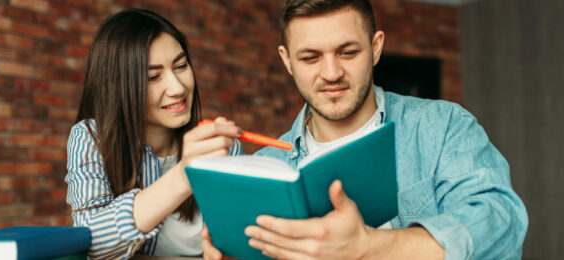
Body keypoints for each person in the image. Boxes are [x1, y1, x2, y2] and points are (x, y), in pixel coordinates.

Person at [202, 0, 528, 259]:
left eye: (348, 52)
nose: (331, 73)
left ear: (376, 47)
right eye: (310, 57)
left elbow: (502, 222)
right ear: (287, 61)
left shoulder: (443, 127)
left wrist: (368, 247)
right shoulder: (266, 167)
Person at [65, 9, 243, 259]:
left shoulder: (218, 145)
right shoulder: (91, 138)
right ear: (119, 85)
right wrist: (183, 176)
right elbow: (92, 242)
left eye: (181, 66)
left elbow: (238, 240)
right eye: (153, 77)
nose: (177, 88)